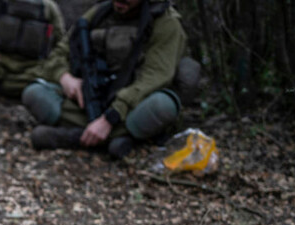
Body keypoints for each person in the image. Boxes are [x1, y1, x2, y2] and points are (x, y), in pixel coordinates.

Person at [21, 0, 196, 158]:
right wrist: (65, 77)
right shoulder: (99, 13)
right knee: (34, 93)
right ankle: (117, 139)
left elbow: (154, 77)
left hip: (132, 105)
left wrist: (112, 116)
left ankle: (77, 136)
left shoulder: (165, 22)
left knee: (163, 105)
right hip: (92, 100)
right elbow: (58, 54)